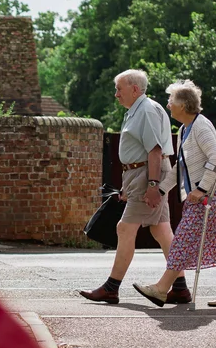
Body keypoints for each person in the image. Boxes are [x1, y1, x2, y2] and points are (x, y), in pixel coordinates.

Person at [133, 80, 216, 308]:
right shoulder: (186, 129)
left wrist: (202, 188)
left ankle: (161, 289)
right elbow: (180, 167)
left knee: (182, 241)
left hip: (212, 196)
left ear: (183, 105)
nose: (168, 104)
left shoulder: (201, 127)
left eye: (171, 100)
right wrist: (162, 189)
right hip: (211, 196)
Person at [80, 69, 190, 305]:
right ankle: (180, 287)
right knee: (161, 230)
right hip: (141, 174)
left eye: (119, 89)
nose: (116, 94)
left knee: (124, 228)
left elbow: (155, 150)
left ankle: (111, 287)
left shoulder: (146, 110)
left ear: (135, 89)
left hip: (148, 174)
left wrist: (152, 185)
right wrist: (128, 185)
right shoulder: (137, 110)